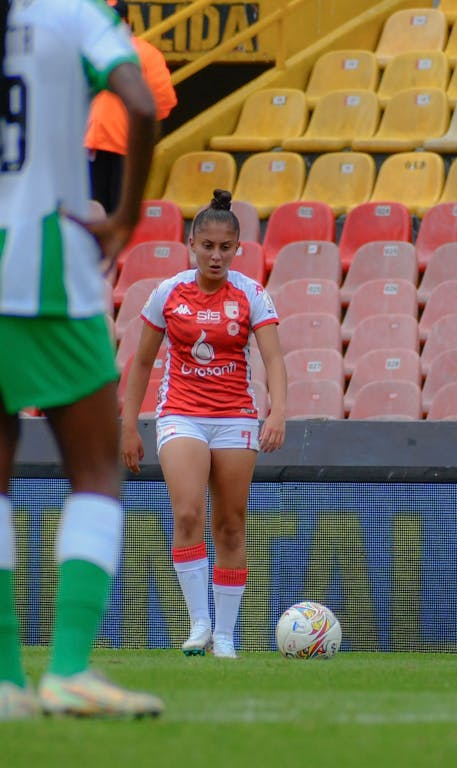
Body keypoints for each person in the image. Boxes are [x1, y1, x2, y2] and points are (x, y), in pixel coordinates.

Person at [0, 0, 163, 719]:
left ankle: (5, 681)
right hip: (47, 273)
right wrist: (124, 217)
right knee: (96, 469)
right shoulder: (73, 12)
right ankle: (67, 669)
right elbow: (141, 103)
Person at [121, 189, 287, 659]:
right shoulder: (168, 293)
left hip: (236, 417)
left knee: (231, 525)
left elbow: (274, 359)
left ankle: (227, 637)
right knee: (188, 513)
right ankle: (199, 624)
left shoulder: (252, 294)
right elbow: (140, 364)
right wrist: (128, 425)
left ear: (238, 250)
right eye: (207, 246)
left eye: (225, 248)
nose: (216, 255)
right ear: (191, 244)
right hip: (180, 415)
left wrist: (276, 411)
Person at [85, 0, 177, 213]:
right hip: (120, 142)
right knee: (116, 211)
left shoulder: (91, 52)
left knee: (95, 211)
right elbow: (164, 102)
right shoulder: (145, 52)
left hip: (99, 142)